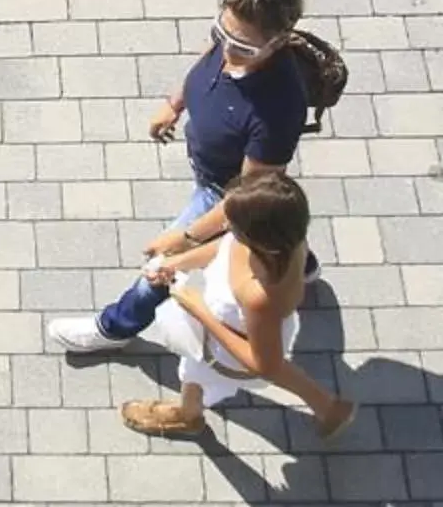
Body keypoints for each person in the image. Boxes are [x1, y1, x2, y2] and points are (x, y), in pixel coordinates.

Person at [50, 0, 330, 358]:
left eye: (243, 48)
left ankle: (115, 326)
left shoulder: (277, 110)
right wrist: (175, 103)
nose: (228, 52)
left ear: (278, 42)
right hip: (210, 167)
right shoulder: (235, 39)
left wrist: (184, 238)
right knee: (275, 224)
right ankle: (302, 266)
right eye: (221, 33)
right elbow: (210, 57)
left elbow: (246, 198)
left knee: (163, 267)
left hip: (223, 192)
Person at [65, 172, 356, 441]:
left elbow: (264, 364)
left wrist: (199, 310)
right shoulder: (284, 239)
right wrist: (174, 263)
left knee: (195, 374)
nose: (224, 224)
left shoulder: (260, 296)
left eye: (232, 221)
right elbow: (226, 247)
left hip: (226, 342)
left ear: (258, 236)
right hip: (252, 325)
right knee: (260, 360)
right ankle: (328, 408)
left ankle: (187, 416)